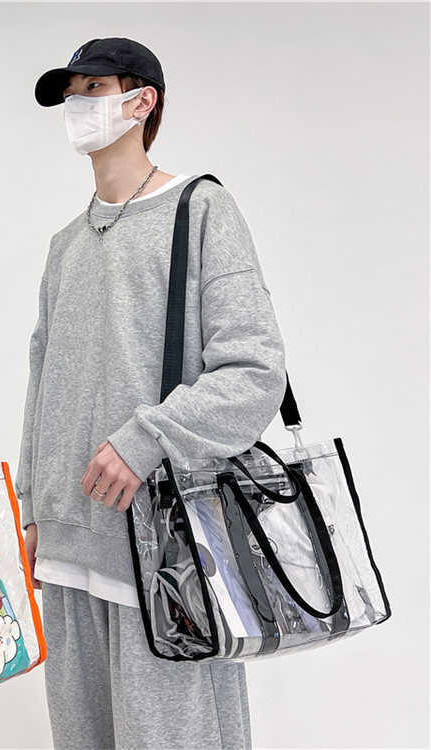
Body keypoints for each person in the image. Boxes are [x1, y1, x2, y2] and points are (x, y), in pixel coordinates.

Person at [16, 38, 286, 749]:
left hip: (164, 548)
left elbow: (254, 371)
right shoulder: (65, 245)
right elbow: (43, 380)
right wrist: (32, 506)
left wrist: (145, 439)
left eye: (93, 89)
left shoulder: (201, 210)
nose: (77, 105)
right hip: (67, 548)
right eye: (70, 93)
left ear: (143, 102)